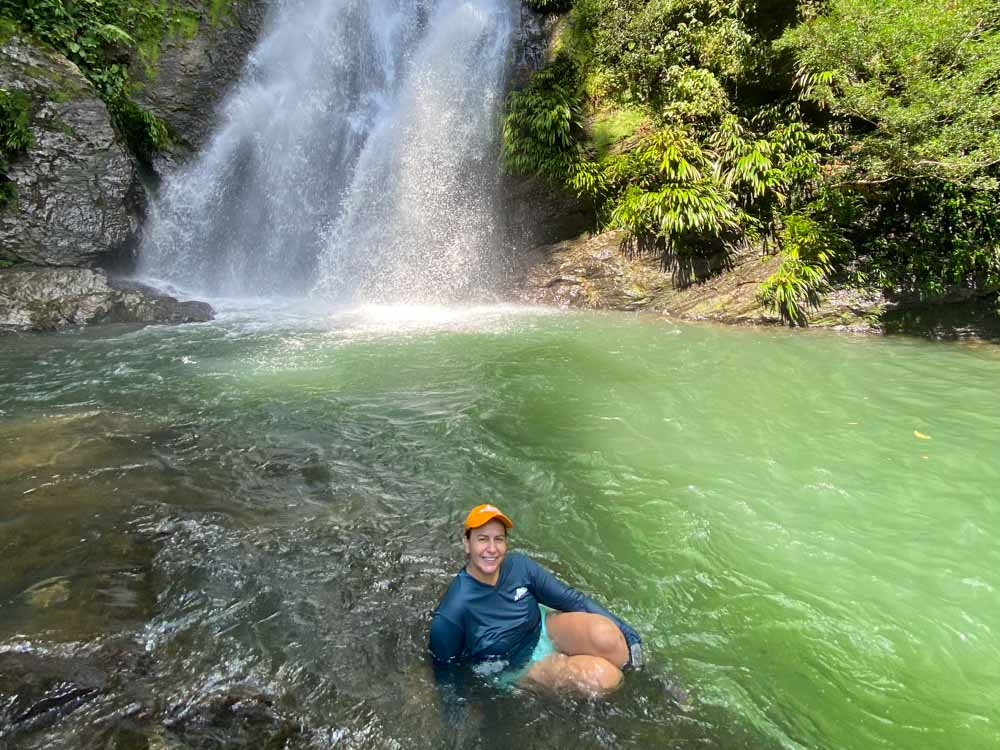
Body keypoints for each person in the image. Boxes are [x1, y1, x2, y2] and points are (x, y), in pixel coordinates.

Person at [429, 503, 643, 696]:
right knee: (603, 676)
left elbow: (572, 600)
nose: (492, 549)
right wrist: (456, 717)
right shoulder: (452, 612)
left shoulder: (519, 566)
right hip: (516, 664)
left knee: (607, 636)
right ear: (467, 543)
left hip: (541, 628)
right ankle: (632, 697)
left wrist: (630, 635)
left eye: (499, 539)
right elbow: (445, 671)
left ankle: (645, 676)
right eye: (482, 539)